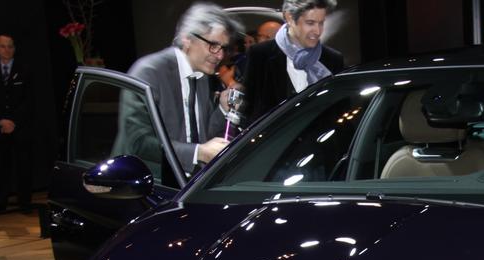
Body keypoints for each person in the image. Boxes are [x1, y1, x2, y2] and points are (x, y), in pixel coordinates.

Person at [122, 3, 243, 171]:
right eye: (213, 45)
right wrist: (198, 153)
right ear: (187, 39)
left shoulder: (203, 76)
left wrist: (223, 109)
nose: (220, 55)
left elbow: (204, 136)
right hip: (150, 180)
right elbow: (138, 142)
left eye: (223, 48)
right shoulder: (149, 72)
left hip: (190, 181)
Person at [241, 1, 343, 126]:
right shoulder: (260, 54)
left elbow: (339, 112)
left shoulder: (333, 59)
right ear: (289, 17)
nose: (317, 31)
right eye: (310, 23)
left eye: (321, 23)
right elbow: (248, 108)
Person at [0, 34, 34, 212]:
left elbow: (29, 99)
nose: (7, 50)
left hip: (20, 125)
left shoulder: (25, 69)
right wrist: (1, 120)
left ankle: (25, 202)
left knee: (24, 165)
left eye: (10, 46)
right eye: (3, 46)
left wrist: (14, 121)